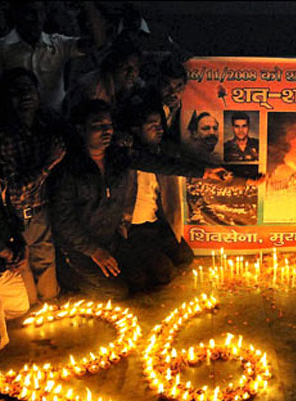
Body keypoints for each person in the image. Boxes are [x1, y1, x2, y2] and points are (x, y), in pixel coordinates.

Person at [117, 97, 228, 288]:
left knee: (184, 257)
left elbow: (178, 164)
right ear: (136, 129)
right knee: (161, 274)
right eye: (153, 126)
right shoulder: (126, 156)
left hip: (154, 224)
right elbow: (160, 165)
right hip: (130, 228)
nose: (160, 130)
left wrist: (213, 172)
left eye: (161, 125)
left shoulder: (161, 152)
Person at [48, 100, 139, 300]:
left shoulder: (115, 159)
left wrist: (204, 172)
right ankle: (69, 279)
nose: (106, 131)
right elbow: (63, 221)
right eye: (98, 126)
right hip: (79, 250)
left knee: (145, 278)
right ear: (81, 130)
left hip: (109, 241)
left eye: (109, 125)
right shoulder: (69, 169)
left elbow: (154, 163)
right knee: (116, 292)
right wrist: (94, 251)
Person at [0, 68, 64, 304]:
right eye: (16, 91)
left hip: (41, 213)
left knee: (49, 292)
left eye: (29, 89)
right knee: (28, 300)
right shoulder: (3, 138)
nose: (24, 96)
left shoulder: (45, 127)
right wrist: (48, 164)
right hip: (16, 220)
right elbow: (14, 193)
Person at [0, 1, 104, 111]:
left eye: (41, 12)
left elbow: (96, 42)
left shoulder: (58, 44)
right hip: (17, 116)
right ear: (16, 15)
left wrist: (87, 5)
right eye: (30, 13)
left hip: (55, 116)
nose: (37, 19)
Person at [0, 108, 29, 356]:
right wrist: (3, 250)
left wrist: (21, 245)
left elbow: (9, 212)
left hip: (1, 265)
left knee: (20, 307)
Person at [63, 36, 142, 116]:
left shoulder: (135, 87)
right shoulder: (93, 90)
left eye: (135, 68)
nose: (131, 73)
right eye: (125, 67)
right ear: (114, 65)